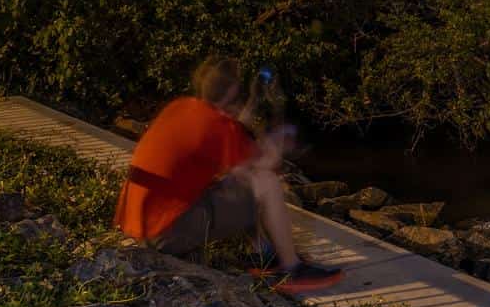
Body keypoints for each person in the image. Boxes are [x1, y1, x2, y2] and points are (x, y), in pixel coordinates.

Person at [113, 55, 343, 294]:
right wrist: (279, 134)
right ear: (233, 92)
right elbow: (265, 164)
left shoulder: (181, 107)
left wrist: (254, 100)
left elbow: (232, 141)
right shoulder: (218, 127)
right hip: (166, 235)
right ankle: (292, 269)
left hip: (140, 225)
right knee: (265, 183)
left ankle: (262, 255)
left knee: (237, 180)